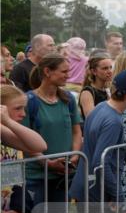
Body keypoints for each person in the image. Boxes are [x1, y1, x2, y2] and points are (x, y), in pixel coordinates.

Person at [70, 71, 126, 204]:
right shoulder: (113, 121)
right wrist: (117, 194)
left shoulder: (100, 107)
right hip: (96, 191)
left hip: (86, 186)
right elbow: (101, 163)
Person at [22, 54, 82, 203]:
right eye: (64, 72)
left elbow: (76, 131)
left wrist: (74, 156)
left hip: (64, 176)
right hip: (37, 177)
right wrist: (47, 163)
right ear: (47, 72)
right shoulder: (28, 101)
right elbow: (22, 141)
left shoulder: (68, 99)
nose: (68, 76)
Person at [80, 53, 114, 119]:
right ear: (94, 71)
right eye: (105, 68)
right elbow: (91, 119)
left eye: (110, 67)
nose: (110, 71)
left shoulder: (108, 90)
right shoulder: (87, 92)